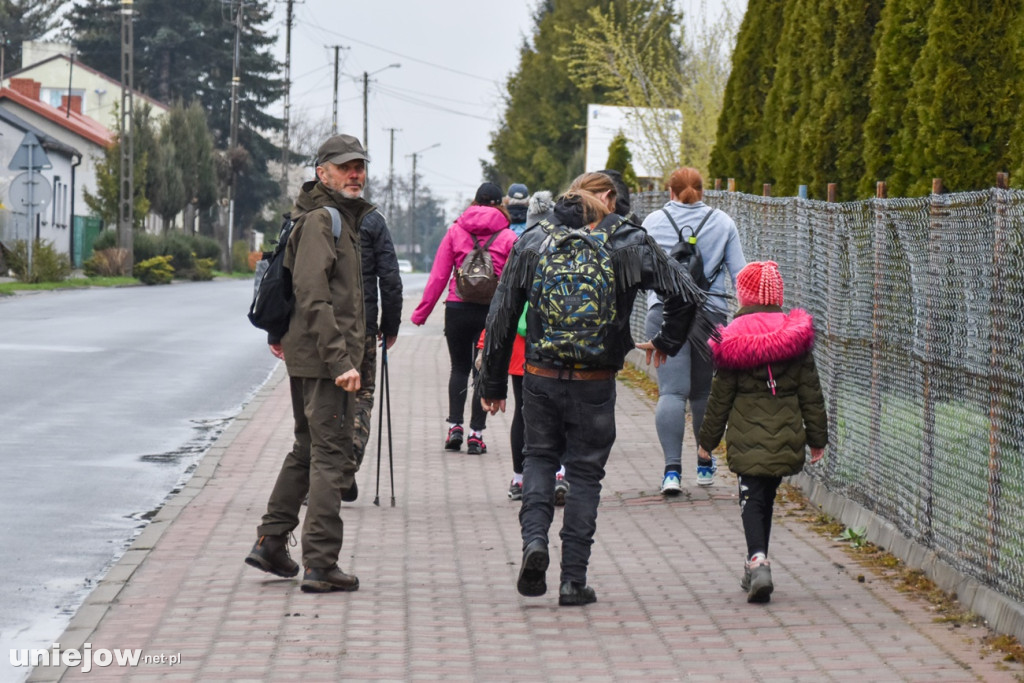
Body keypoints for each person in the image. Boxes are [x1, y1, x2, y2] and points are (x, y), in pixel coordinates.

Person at [479, 172, 711, 607]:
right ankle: (572, 581)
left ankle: (534, 543)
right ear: (605, 198)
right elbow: (686, 293)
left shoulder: (533, 239)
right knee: (585, 474)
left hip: (540, 377)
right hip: (596, 383)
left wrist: (493, 384)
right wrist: (666, 342)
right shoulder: (628, 241)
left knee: (539, 459)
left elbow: (502, 314)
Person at [244, 134, 370, 593]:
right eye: (345, 167)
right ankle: (320, 562)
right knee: (330, 455)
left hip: (312, 354)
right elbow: (313, 295)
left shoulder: (329, 217)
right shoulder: (324, 220)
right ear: (323, 173)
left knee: (306, 447)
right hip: (324, 359)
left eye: (359, 166)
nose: (355, 173)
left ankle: (271, 542)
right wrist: (341, 360)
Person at [696, 261, 828, 603]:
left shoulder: (732, 337)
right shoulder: (795, 335)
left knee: (751, 498)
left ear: (744, 293)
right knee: (765, 497)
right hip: (786, 434)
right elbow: (811, 393)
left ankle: (757, 559)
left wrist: (706, 441)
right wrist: (817, 439)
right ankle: (757, 562)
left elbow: (720, 397)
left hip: (745, 435)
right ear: (778, 294)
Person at [641, 167, 746, 494]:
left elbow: (642, 273)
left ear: (670, 192)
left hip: (663, 313)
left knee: (671, 392)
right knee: (703, 392)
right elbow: (740, 275)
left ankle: (671, 472)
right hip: (710, 315)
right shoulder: (723, 223)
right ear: (703, 192)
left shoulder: (652, 223)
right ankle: (704, 463)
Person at [412, 182, 517, 454]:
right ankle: (476, 435)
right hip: (490, 313)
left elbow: (438, 275)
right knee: (482, 370)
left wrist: (421, 312)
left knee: (458, 368)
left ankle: (454, 428)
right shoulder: (507, 237)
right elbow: (513, 281)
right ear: (499, 204)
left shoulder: (455, 231)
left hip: (457, 308)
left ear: (474, 201)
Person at [351, 208, 403, 481]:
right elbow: (390, 279)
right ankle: (348, 462)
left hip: (317, 328)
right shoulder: (372, 220)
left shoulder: (310, 214)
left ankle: (322, 472)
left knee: (322, 400)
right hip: (362, 328)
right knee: (361, 394)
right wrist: (390, 325)